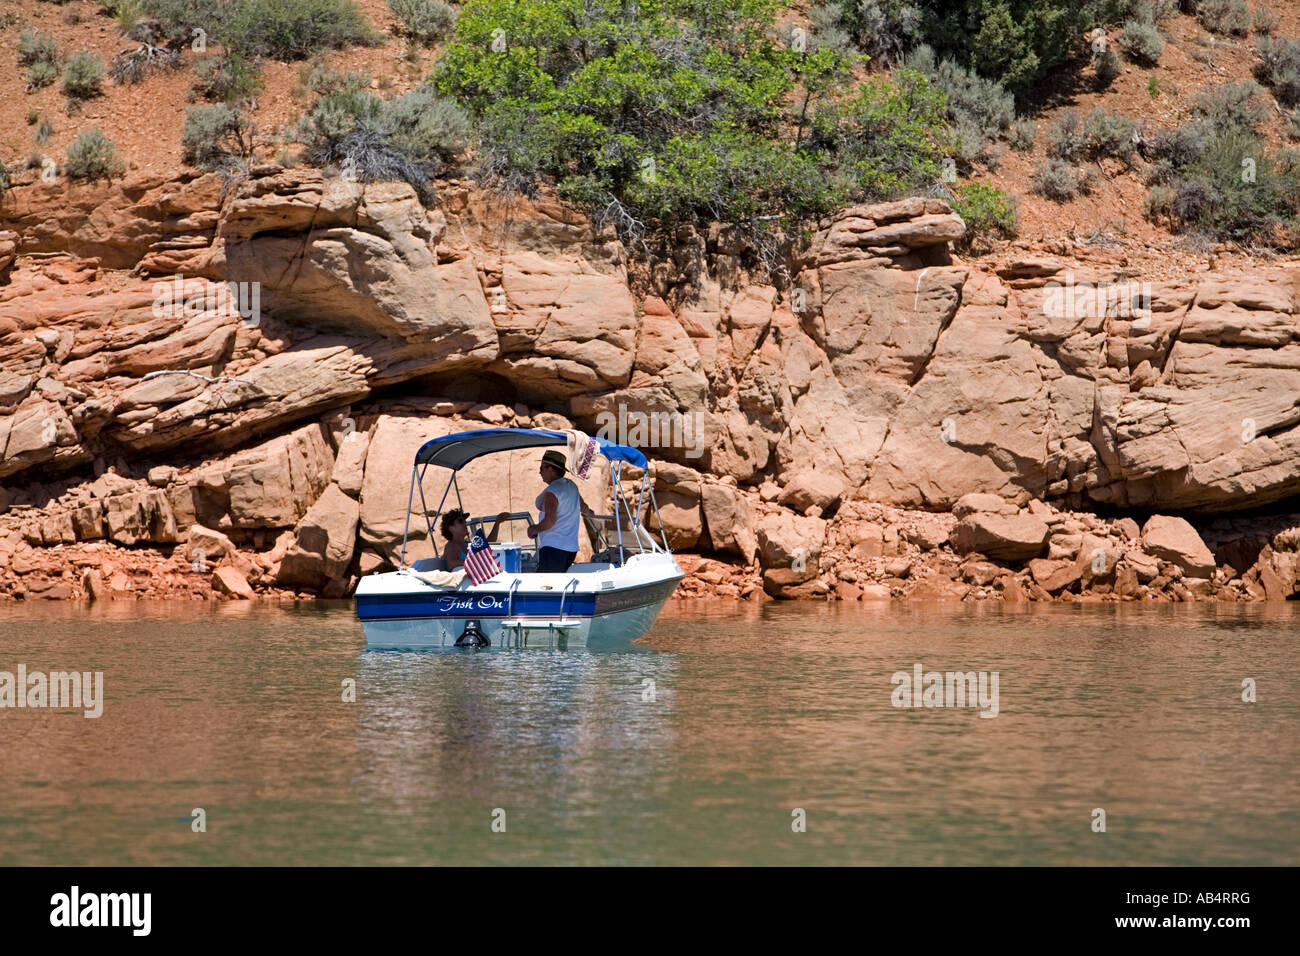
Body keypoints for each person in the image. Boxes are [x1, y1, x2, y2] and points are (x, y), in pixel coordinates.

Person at [527, 450, 592, 572]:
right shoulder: (572, 486)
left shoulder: (553, 491)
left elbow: (550, 520)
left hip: (553, 548)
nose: (539, 472)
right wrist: (591, 514)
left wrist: (533, 529)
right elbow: (584, 508)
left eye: (542, 468)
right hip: (570, 549)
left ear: (551, 469)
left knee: (547, 587)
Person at [439, 509, 509, 571]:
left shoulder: (468, 544)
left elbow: (487, 545)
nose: (465, 523)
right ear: (451, 528)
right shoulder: (451, 545)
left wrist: (497, 523)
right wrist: (476, 562)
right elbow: (451, 564)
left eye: (464, 521)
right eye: (460, 521)